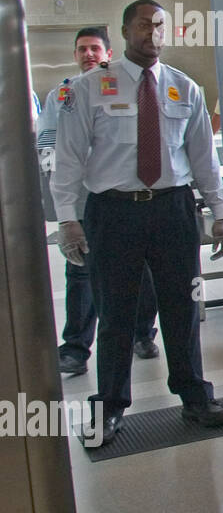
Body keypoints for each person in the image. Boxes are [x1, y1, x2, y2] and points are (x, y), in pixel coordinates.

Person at [51, 0, 223, 447]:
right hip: (113, 212)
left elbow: (203, 161)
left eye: (160, 26)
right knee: (115, 312)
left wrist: (220, 213)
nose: (152, 33)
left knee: (182, 307)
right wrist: (69, 221)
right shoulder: (89, 88)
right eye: (142, 25)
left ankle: (194, 397)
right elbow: (69, 159)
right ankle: (109, 406)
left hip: (172, 209)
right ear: (124, 31)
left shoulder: (183, 88)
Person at [36, 26, 161, 376]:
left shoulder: (132, 86)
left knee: (143, 268)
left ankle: (142, 334)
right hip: (82, 197)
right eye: (81, 49)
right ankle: (76, 347)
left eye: (94, 48)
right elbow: (49, 141)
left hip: (124, 194)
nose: (88, 55)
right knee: (80, 270)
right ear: (75, 55)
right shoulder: (63, 94)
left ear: (108, 52)